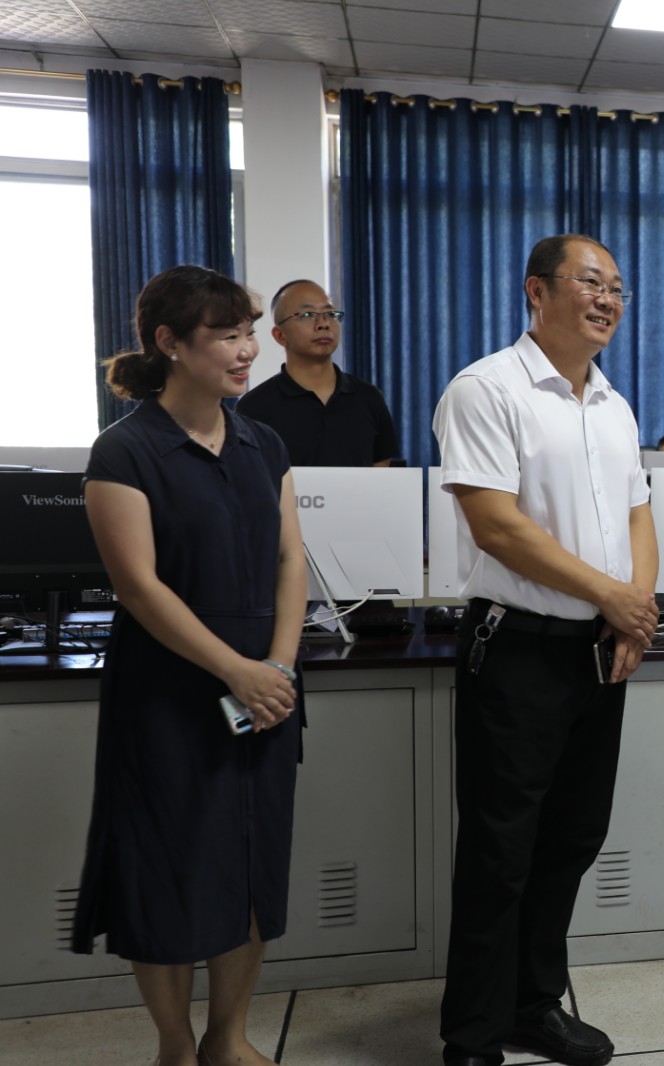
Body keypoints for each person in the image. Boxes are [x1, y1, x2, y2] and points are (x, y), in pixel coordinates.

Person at [432, 234, 658, 1066]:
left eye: (617, 288)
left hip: (598, 650)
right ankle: (473, 1033)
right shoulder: (486, 389)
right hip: (518, 648)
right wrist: (612, 596)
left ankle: (534, 1004)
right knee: (501, 848)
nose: (608, 300)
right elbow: (496, 526)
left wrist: (633, 613)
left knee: (572, 838)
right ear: (537, 291)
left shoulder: (613, 403)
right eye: (591, 283)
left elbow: (638, 515)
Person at [72, 265, 306, 1066]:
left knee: (251, 866)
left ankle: (227, 1038)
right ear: (169, 343)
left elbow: (291, 561)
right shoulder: (125, 450)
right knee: (166, 870)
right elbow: (139, 586)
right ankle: (174, 1044)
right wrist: (237, 672)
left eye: (249, 333)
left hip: (264, 690)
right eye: (227, 335)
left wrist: (276, 669)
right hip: (170, 691)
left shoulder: (264, 443)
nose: (248, 351)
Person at [235, 280, 400, 466]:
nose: (323, 324)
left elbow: (382, 471)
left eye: (330, 314)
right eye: (307, 315)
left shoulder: (369, 397)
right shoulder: (254, 407)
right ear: (280, 335)